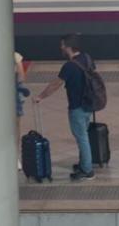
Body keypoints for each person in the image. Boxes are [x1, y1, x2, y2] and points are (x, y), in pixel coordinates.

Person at [33, 34, 96, 181]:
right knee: (83, 135)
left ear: (68, 47)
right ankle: (84, 164)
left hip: (77, 107)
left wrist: (41, 97)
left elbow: (55, 84)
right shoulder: (87, 58)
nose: (60, 47)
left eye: (62, 45)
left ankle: (87, 170)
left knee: (82, 138)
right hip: (88, 104)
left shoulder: (69, 66)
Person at [14, 51, 30, 171]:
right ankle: (15, 158)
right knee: (15, 127)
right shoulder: (15, 56)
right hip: (13, 95)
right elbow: (22, 76)